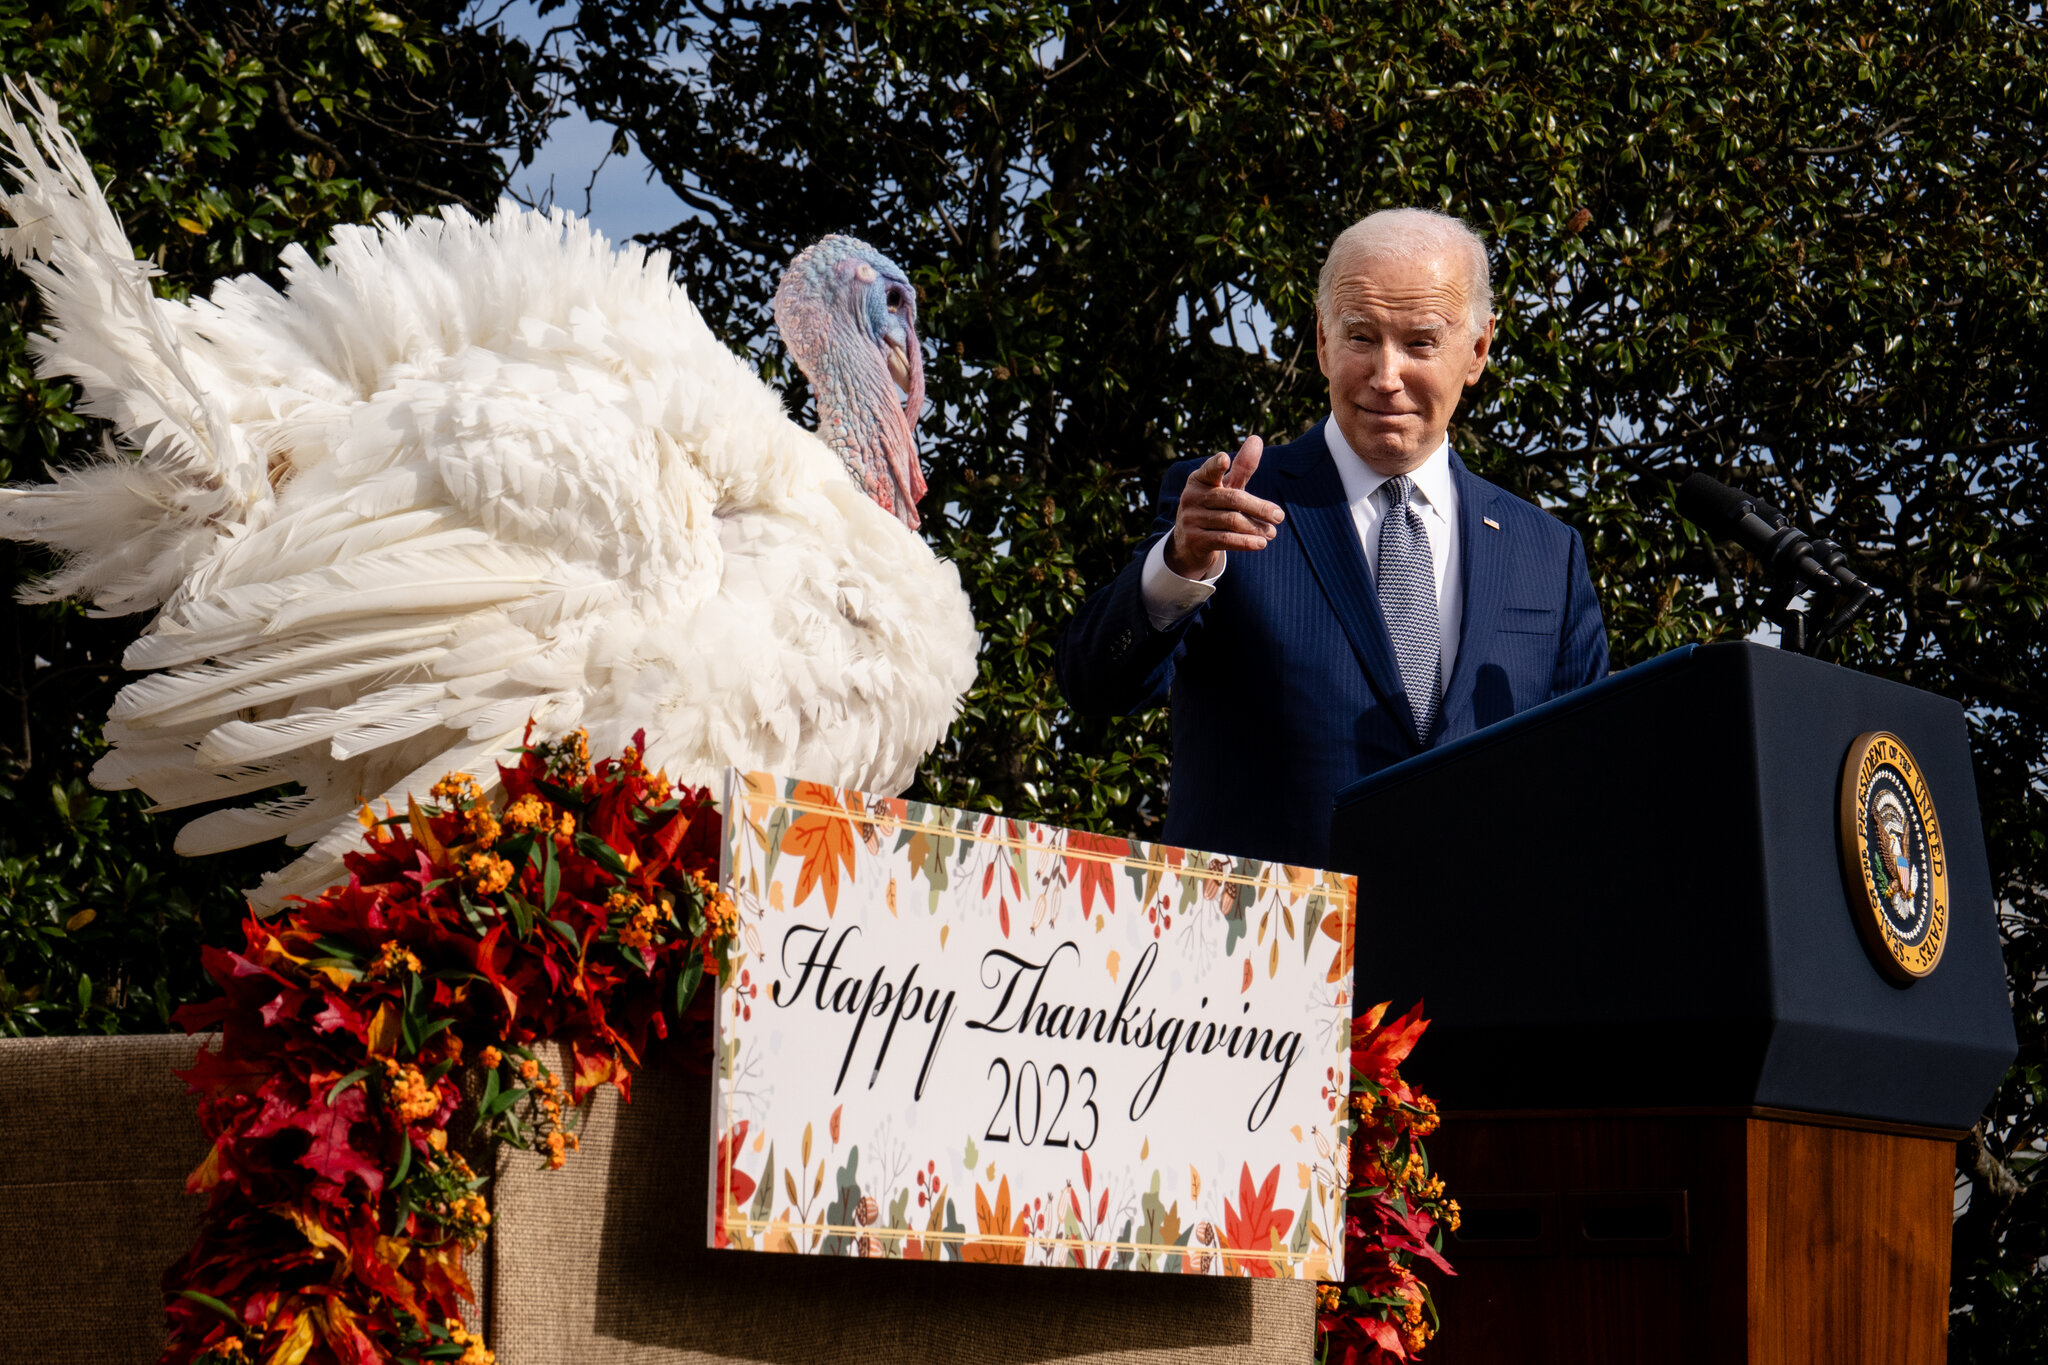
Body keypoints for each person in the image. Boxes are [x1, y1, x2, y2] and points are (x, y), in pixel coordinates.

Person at [1054, 208, 1608, 870]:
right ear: (1321, 341)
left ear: (1478, 350)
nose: (1386, 375)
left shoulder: (1545, 555)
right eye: (1361, 337)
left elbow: (1589, 790)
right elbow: (1094, 685)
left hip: (1471, 962)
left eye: (1421, 343)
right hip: (1261, 956)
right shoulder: (1230, 507)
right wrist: (1176, 567)